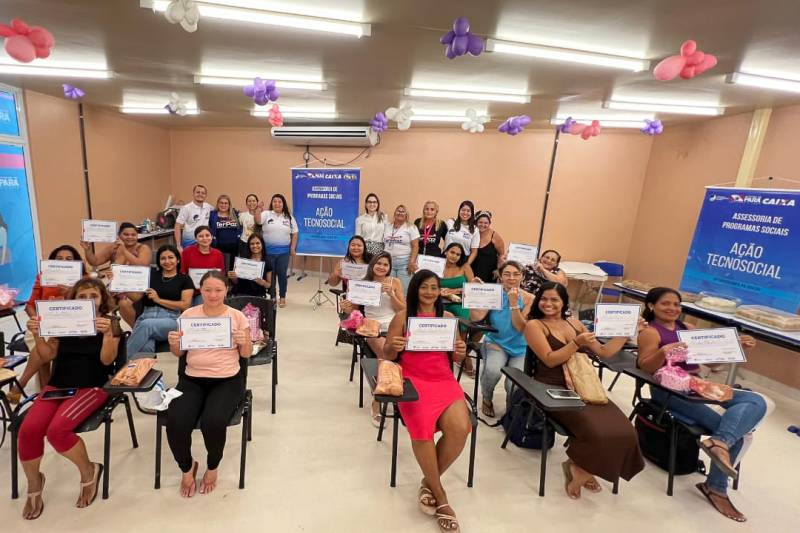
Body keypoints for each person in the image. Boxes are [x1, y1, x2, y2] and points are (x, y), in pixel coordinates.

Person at [637, 287, 766, 522]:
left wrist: (734, 348)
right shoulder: (650, 332)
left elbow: (712, 363)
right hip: (669, 390)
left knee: (756, 401)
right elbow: (645, 366)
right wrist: (664, 352)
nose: (672, 308)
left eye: (676, 304)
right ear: (651, 306)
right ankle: (716, 488)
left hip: (697, 384)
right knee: (736, 433)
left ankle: (719, 443)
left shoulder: (688, 328)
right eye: (665, 303)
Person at [525, 281, 645, 499]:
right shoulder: (535, 325)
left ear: (564, 302)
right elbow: (550, 360)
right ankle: (581, 467)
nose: (548, 303)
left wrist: (627, 331)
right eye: (544, 298)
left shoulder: (574, 323)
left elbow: (604, 352)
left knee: (626, 432)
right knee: (598, 432)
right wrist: (575, 344)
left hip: (584, 385)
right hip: (552, 387)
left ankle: (581, 465)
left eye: (554, 299)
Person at [17, 278, 121, 519]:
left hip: (92, 386)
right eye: (82, 297)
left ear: (102, 299)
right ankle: (34, 482)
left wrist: (107, 335)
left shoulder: (111, 323)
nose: (88, 301)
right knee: (28, 430)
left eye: (93, 296)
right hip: (57, 385)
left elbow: (107, 361)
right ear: (74, 300)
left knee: (57, 431)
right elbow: (47, 355)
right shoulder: (63, 321)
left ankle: (89, 470)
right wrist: (39, 335)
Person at [382, 270, 470, 533]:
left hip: (443, 380)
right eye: (424, 287)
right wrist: (395, 346)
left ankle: (428, 482)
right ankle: (440, 496)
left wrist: (461, 350)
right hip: (413, 380)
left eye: (434, 287)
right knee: (422, 431)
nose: (430, 292)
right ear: (415, 289)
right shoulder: (402, 317)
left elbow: (456, 357)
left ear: (440, 291)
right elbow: (387, 353)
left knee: (461, 429)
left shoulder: (448, 318)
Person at [166, 271, 252, 497]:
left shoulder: (237, 316)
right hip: (192, 379)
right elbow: (179, 353)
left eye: (218, 290)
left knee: (213, 422)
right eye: (208, 290)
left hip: (227, 380)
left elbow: (246, 354)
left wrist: (244, 341)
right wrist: (174, 342)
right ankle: (187, 468)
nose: (213, 295)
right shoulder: (189, 315)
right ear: (201, 290)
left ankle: (212, 467)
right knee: (176, 422)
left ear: (226, 290)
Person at [10, 245, 88, 403]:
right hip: (43, 323)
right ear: (52, 261)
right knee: (43, 341)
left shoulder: (84, 279)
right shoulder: (43, 276)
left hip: (71, 325)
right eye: (59, 259)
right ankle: (46, 394)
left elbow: (88, 307)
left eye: (69, 259)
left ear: (76, 262)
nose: (64, 262)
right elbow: (30, 305)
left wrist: (70, 293)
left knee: (46, 344)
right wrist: (39, 320)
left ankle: (24, 385)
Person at [340, 252, 405, 425]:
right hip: (372, 327)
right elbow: (354, 311)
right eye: (379, 263)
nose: (382, 267)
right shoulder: (363, 283)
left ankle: (392, 386)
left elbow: (403, 310)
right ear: (372, 265)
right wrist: (346, 308)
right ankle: (378, 399)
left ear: (389, 268)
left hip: (395, 325)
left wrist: (392, 295)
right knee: (386, 354)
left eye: (385, 264)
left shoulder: (395, 282)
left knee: (403, 352)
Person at [470, 261, 533, 418]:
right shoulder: (494, 293)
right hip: (496, 343)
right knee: (492, 371)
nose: (511, 278)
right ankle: (487, 398)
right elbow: (476, 318)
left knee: (514, 382)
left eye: (516, 274)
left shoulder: (529, 298)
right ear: (500, 276)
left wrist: (514, 303)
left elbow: (521, 327)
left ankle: (511, 406)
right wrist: (475, 295)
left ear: (522, 277)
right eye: (507, 274)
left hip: (521, 347)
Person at [124, 244, 194, 359]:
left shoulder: (184, 279)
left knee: (146, 325)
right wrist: (122, 287)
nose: (167, 261)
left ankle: (122, 361)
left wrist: (158, 300)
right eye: (163, 258)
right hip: (146, 316)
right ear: (159, 261)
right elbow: (136, 298)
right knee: (146, 346)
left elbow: (185, 305)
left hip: (171, 319)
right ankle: (144, 369)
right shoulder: (150, 276)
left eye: (171, 257)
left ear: (178, 260)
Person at [260, 193, 298, 308]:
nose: (277, 203)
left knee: (282, 275)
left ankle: (282, 297)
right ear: (272, 203)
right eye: (275, 201)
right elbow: (257, 221)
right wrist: (258, 209)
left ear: (283, 204)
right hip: (268, 252)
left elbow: (295, 233)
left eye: (279, 201)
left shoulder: (289, 217)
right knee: (270, 276)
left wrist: (292, 248)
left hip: (284, 253)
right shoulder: (266, 214)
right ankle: (272, 296)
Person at [180, 226, 225, 306]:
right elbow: (183, 272)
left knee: (201, 305)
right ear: (196, 239)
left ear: (212, 237)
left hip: (208, 291)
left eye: (207, 235)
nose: (205, 238)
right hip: (189, 290)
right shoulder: (187, 252)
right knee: (188, 308)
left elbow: (221, 275)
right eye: (200, 236)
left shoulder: (218, 254)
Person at [81, 222, 152, 270]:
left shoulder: (143, 248)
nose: (130, 237)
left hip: (137, 284)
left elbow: (143, 267)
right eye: (126, 234)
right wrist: (88, 250)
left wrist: (124, 251)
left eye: (133, 235)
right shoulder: (113, 247)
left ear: (137, 236)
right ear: (119, 235)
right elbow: (95, 262)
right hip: (116, 284)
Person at [382, 204, 419, 292]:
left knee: (403, 291)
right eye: (398, 211)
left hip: (404, 263)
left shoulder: (411, 227)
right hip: (388, 262)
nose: (400, 213)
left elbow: (415, 246)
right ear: (395, 213)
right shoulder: (387, 226)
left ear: (406, 215)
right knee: (388, 290)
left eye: (403, 211)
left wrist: (411, 262)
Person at [228, 233, 273, 298]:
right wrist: (233, 278)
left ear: (262, 244)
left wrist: (263, 283)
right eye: (252, 244)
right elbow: (236, 282)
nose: (255, 246)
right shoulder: (242, 261)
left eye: (257, 243)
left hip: (259, 296)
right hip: (241, 295)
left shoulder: (267, 262)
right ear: (248, 246)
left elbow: (268, 285)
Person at [208, 194, 241, 271]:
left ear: (229, 205)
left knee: (232, 269)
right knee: (219, 269)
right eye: (221, 203)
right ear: (218, 204)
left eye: (226, 203)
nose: (223, 205)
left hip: (234, 247)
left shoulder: (235, 214)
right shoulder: (212, 215)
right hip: (218, 247)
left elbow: (241, 226)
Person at [174, 184, 212, 251]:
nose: (200, 194)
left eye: (203, 193)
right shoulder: (186, 208)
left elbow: (220, 211)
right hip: (189, 243)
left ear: (206, 195)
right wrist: (178, 245)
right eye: (198, 192)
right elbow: (177, 226)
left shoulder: (208, 207)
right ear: (193, 194)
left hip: (204, 242)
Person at [470, 211, 505, 283]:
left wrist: (499, 270)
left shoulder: (494, 236)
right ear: (476, 223)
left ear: (489, 224)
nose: (483, 225)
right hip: (471, 272)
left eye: (486, 223)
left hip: (489, 274)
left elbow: (502, 254)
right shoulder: (471, 233)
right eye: (480, 222)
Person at [444, 200, 479, 266]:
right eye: (463, 210)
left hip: (462, 261)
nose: (465, 213)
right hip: (446, 259)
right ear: (459, 211)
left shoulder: (475, 229)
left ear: (472, 213)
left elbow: (474, 252)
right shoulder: (450, 222)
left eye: (468, 211)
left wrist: (466, 265)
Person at [355, 192, 385, 257]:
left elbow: (386, 235)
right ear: (366, 204)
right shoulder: (359, 219)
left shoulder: (383, 217)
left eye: (374, 202)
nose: (372, 204)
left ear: (377, 204)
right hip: (365, 249)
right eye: (369, 202)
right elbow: (358, 238)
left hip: (379, 250)